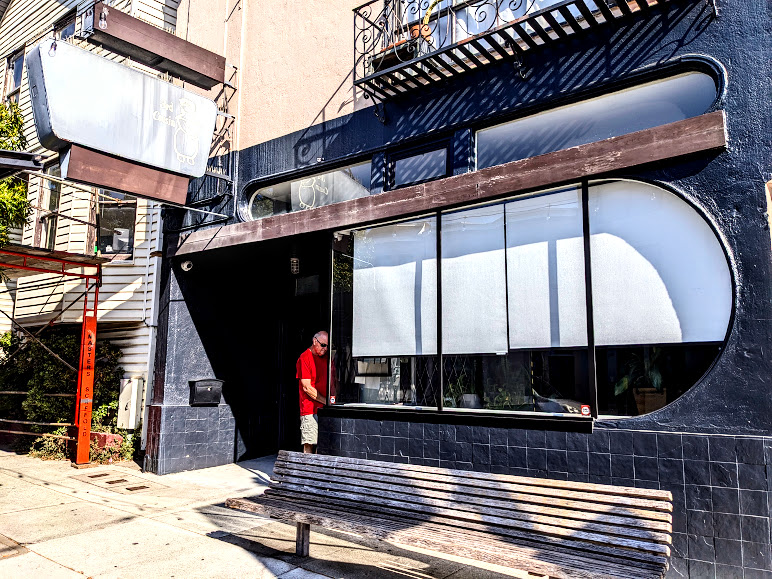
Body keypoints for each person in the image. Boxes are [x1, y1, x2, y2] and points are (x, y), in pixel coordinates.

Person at [296, 330, 328, 453]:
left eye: (327, 346)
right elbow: (307, 387)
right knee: (309, 442)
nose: (325, 349)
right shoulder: (304, 358)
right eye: (323, 345)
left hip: (325, 408)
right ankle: (306, 469)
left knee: (322, 443)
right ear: (315, 341)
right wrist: (326, 401)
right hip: (310, 409)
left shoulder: (326, 358)